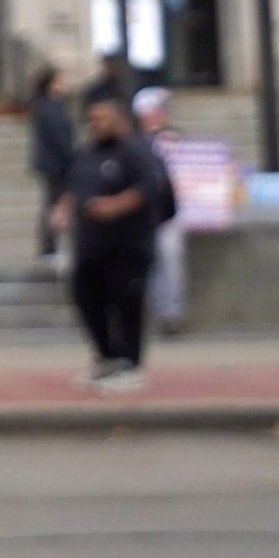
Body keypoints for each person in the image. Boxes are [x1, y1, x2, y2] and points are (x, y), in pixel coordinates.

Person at [55, 83, 165, 393]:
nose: (96, 124)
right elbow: (73, 185)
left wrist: (114, 206)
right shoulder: (87, 153)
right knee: (88, 298)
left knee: (126, 302)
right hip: (91, 245)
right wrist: (64, 209)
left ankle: (130, 363)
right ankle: (106, 358)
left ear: (118, 118)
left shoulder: (135, 150)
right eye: (92, 119)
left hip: (128, 245)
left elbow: (149, 188)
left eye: (102, 118)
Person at [134, 85, 187, 333]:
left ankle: (170, 313)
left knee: (171, 259)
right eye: (159, 109)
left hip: (167, 212)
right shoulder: (134, 144)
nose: (164, 113)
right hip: (142, 214)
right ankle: (154, 310)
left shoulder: (174, 139)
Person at [28, 65, 74, 264]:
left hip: (52, 162)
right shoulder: (50, 107)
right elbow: (60, 138)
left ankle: (51, 246)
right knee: (53, 204)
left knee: (52, 203)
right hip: (55, 164)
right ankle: (49, 247)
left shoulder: (48, 106)